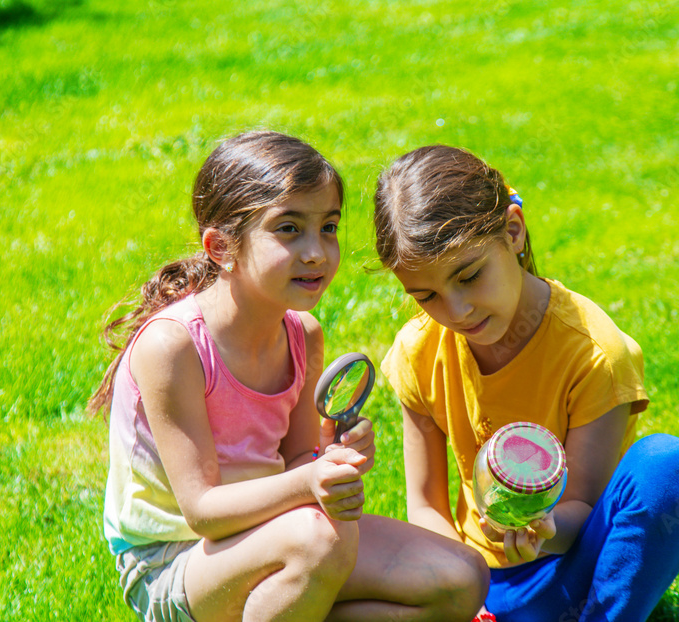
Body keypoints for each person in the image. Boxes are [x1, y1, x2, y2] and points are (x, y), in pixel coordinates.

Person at [90, 131, 489, 622]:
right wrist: (308, 481)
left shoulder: (303, 335)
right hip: (177, 562)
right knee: (318, 539)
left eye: (329, 227)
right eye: (288, 229)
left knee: (462, 578)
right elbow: (202, 510)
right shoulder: (172, 347)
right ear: (221, 246)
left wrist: (327, 457)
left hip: (280, 534)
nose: (317, 252)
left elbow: (299, 457)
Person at [373, 145, 679, 622]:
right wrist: (463, 593)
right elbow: (425, 508)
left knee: (667, 466)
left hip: (568, 568)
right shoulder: (417, 351)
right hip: (477, 582)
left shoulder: (594, 352)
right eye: (426, 296)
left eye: (469, 276)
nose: (456, 311)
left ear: (513, 230)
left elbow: (583, 506)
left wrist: (542, 530)